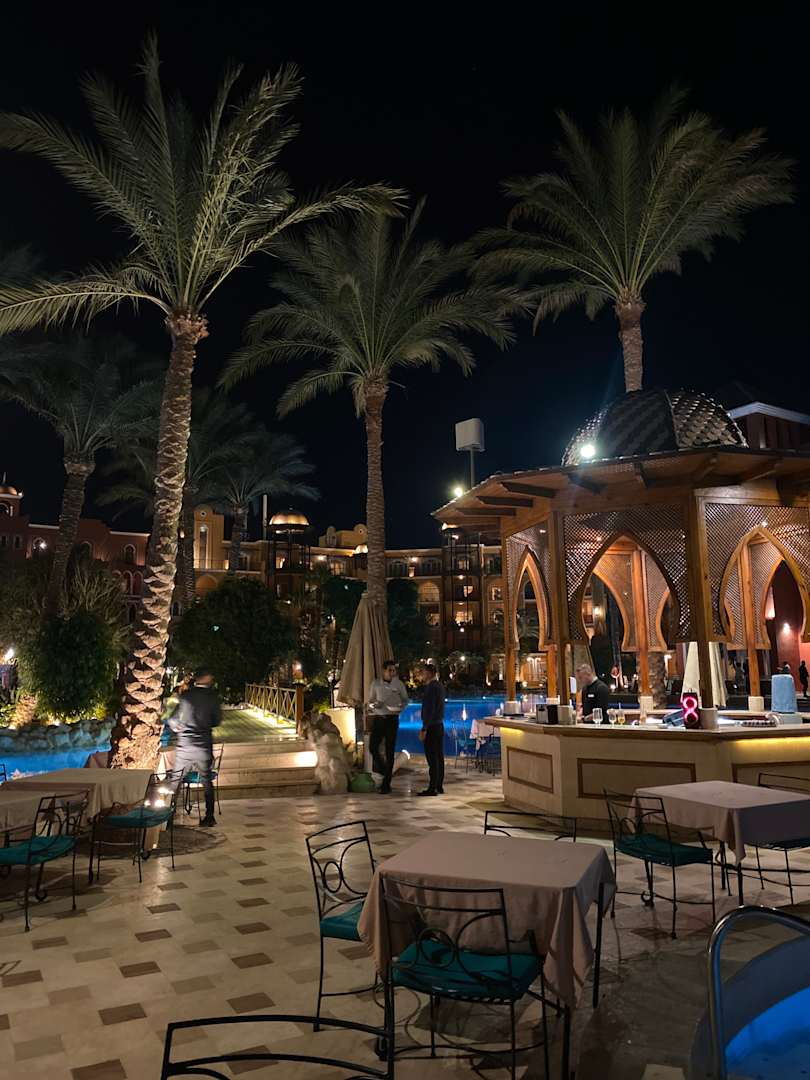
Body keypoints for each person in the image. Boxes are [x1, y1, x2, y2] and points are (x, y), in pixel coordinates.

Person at [168, 668, 222, 826]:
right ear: (207, 678)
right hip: (203, 745)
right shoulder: (212, 697)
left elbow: (172, 718)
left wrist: (177, 727)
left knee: (176, 780)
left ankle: (168, 816)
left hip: (185, 745)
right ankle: (209, 816)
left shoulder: (186, 696)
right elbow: (217, 721)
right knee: (206, 781)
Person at [366, 659, 408, 794]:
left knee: (390, 751)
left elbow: (405, 700)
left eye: (394, 670)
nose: (392, 672)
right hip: (379, 718)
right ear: (383, 671)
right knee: (373, 746)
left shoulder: (399, 684)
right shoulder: (376, 684)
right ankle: (385, 770)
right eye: (390, 670)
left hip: (392, 719)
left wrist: (400, 707)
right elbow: (370, 701)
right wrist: (374, 705)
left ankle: (386, 784)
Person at [417, 663, 445, 796]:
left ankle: (432, 787)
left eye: (423, 672)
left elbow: (430, 709)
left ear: (428, 673)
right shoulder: (439, 686)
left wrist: (424, 728)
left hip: (432, 726)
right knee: (439, 756)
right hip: (439, 725)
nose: (422, 675)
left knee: (432, 757)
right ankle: (439, 785)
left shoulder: (431, 687)